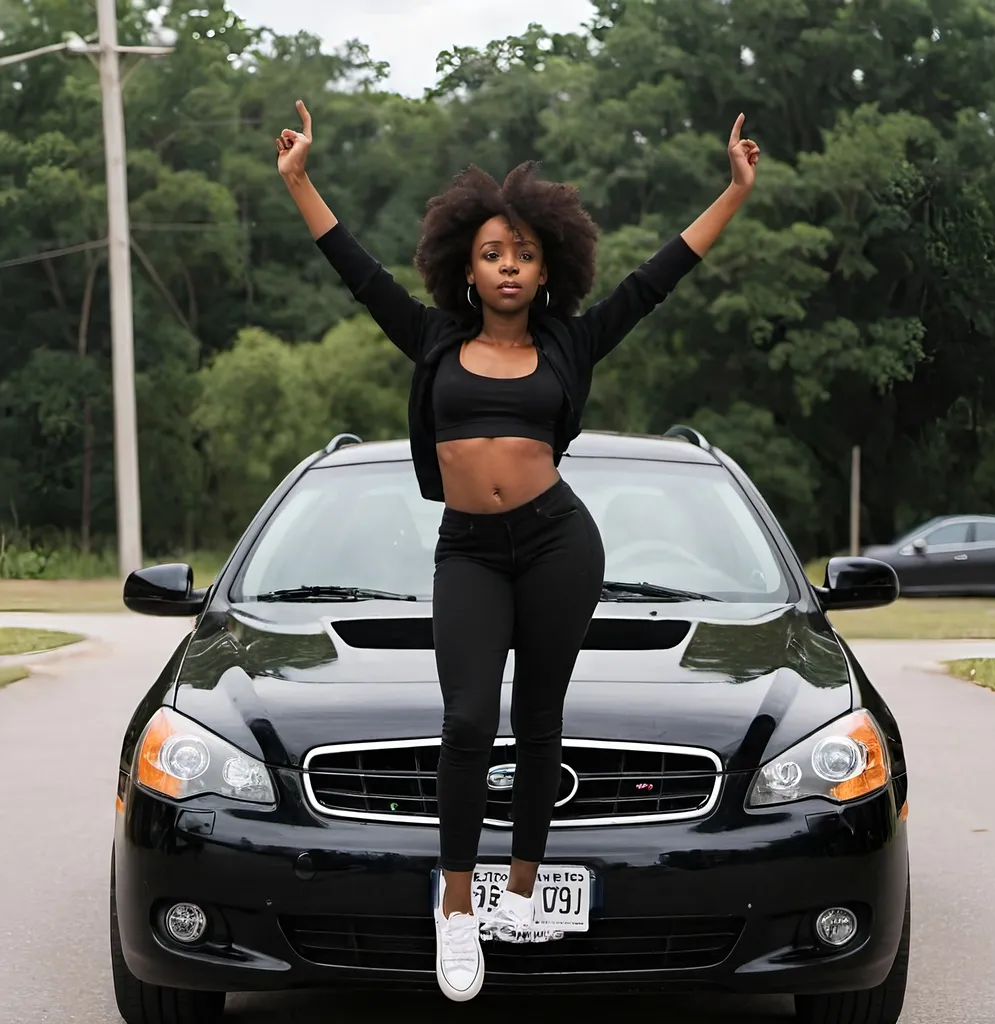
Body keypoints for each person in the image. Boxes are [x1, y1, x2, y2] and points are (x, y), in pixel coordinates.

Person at [276, 100, 758, 1002]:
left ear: (548, 271)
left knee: (540, 721)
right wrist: (301, 182)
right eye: (494, 253)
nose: (509, 266)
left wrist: (731, 193)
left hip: (558, 545)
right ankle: (457, 909)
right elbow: (356, 271)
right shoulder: (434, 340)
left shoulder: (571, 343)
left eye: (525, 255)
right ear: (466, 264)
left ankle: (526, 893)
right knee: (466, 723)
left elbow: (662, 275)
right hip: (468, 550)